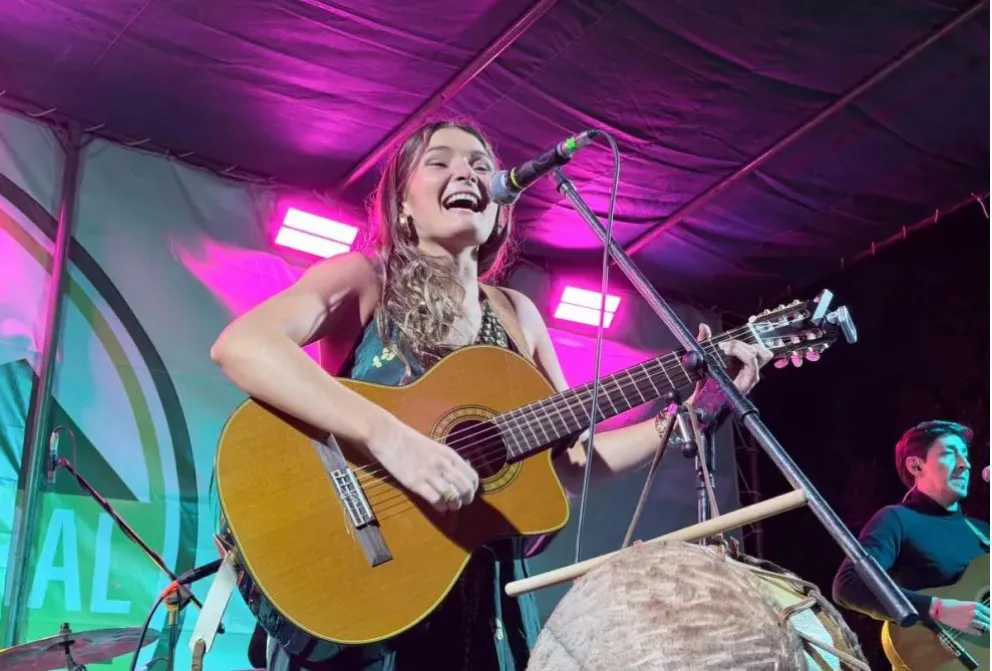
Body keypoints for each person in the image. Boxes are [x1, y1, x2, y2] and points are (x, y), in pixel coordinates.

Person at [210, 120, 773, 671]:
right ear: (402, 204)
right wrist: (392, 440)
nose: (468, 173)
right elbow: (244, 345)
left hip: (480, 608)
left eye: (481, 165)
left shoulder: (518, 315)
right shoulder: (363, 277)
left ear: (501, 203)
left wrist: (687, 420)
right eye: (441, 162)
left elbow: (570, 461)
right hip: (367, 579)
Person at [832, 420, 990, 640]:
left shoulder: (983, 532)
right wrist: (937, 610)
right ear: (916, 466)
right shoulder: (897, 520)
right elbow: (849, 584)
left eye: (965, 454)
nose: (965, 464)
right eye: (949, 454)